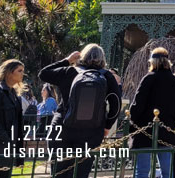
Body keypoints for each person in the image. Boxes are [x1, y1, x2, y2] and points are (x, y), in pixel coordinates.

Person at [39, 44, 121, 178]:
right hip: (91, 131)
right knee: (81, 171)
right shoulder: (106, 76)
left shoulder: (68, 71)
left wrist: (67, 60)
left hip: (62, 126)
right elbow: (116, 103)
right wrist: (107, 126)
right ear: (102, 59)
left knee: (59, 171)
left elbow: (43, 74)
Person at [129, 47, 175, 178]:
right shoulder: (174, 81)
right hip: (166, 130)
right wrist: (171, 123)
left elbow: (137, 104)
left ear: (152, 62)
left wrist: (133, 124)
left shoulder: (149, 78)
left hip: (145, 130)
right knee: (167, 172)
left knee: (142, 172)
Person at [0, 60, 25, 178]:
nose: (23, 74)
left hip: (10, 145)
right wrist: (5, 138)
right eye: (20, 71)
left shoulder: (14, 94)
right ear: (9, 73)